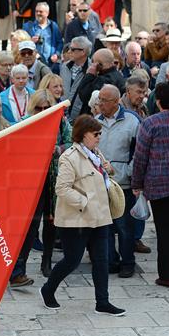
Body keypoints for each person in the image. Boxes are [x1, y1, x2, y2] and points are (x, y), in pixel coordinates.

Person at [41, 115, 126, 316]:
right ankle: (48, 289)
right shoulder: (69, 157)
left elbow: (106, 176)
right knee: (72, 260)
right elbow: (61, 188)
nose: (99, 137)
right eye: (96, 134)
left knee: (101, 260)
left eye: (100, 134)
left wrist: (109, 169)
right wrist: (85, 202)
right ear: (83, 134)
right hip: (76, 219)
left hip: (100, 217)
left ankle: (102, 302)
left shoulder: (96, 153)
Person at [131, 82, 169, 288]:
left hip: (161, 187)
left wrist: (137, 183)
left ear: (158, 101)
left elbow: (140, 157)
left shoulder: (150, 124)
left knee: (165, 233)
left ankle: (167, 276)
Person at [94, 84, 140, 278]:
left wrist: (128, 172)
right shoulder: (95, 122)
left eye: (103, 101)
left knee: (124, 227)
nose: (100, 104)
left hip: (123, 184)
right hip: (101, 184)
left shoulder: (132, 121)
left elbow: (138, 151)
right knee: (105, 227)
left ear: (115, 102)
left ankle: (128, 262)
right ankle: (111, 261)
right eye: (99, 100)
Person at [77, 49, 126, 115]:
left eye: (93, 62)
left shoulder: (104, 80)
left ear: (98, 64)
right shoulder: (118, 75)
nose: (92, 65)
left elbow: (84, 95)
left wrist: (89, 75)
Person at [23, 3, 63, 71]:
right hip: (33, 65)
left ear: (47, 13)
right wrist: (30, 41)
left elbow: (60, 42)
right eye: (36, 11)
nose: (38, 13)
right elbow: (21, 44)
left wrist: (56, 54)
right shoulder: (28, 26)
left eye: (41, 11)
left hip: (50, 64)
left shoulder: (53, 26)